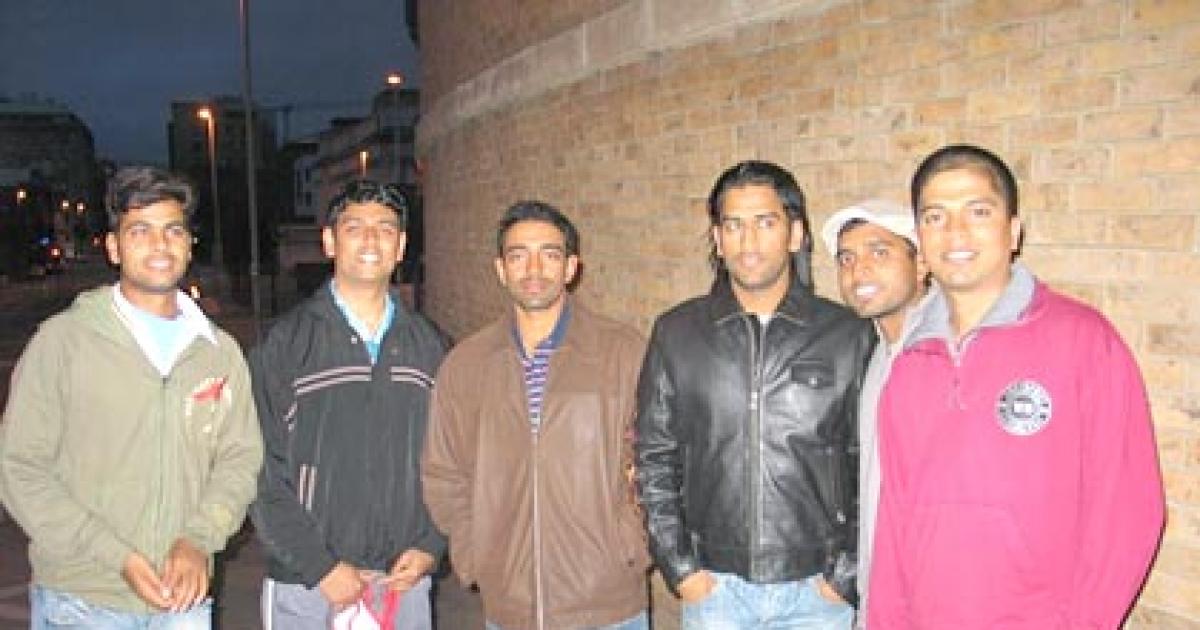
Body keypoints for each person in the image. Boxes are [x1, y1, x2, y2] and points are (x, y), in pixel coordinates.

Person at [867, 144, 1165, 628]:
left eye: (978, 211)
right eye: (936, 217)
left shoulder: (1083, 340)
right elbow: (894, 521)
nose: (956, 232)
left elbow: (1128, 509)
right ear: (920, 239)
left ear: (1014, 231)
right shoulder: (908, 366)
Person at [0, 166, 263, 628]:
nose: (160, 245)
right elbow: (20, 467)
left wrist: (199, 539)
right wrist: (115, 555)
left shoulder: (218, 353)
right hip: (82, 600)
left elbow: (239, 459)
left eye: (173, 230)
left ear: (189, 245)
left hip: (183, 602)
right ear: (113, 247)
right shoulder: (63, 342)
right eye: (140, 231)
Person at [636, 161, 875, 629]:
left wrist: (845, 574)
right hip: (715, 590)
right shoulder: (677, 333)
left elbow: (869, 461)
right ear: (717, 239)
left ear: (795, 234)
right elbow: (653, 457)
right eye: (734, 225)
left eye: (765, 223)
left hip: (816, 592)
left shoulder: (846, 335)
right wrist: (682, 569)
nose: (748, 242)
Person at [422, 201, 650, 630]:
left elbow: (661, 458)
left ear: (571, 267)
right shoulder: (466, 364)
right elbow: (444, 472)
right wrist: (476, 553)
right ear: (500, 269)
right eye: (518, 255)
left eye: (549, 254)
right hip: (509, 604)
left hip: (608, 603)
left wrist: (630, 544)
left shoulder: (623, 352)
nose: (533, 269)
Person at [250, 181, 446, 629]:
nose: (371, 240)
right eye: (355, 227)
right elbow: (259, 468)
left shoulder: (431, 347)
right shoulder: (285, 343)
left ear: (401, 246)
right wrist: (319, 565)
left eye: (385, 229)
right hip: (309, 584)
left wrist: (431, 545)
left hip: (403, 580)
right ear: (329, 241)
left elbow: (451, 461)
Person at [819, 199, 930, 626]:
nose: (858, 270)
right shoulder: (876, 358)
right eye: (847, 258)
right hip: (879, 601)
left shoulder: (948, 358)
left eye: (879, 252)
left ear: (921, 264)